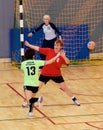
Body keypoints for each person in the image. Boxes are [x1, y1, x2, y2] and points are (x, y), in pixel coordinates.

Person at [25, 40, 80, 106]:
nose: (55, 47)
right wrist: (29, 45)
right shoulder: (49, 50)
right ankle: (27, 101)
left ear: (61, 47)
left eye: (57, 45)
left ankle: (74, 99)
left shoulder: (61, 55)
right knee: (36, 89)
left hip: (56, 75)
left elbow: (68, 62)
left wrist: (64, 56)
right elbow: (38, 48)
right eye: (55, 45)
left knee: (64, 87)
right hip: (45, 73)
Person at [21, 48, 60, 116]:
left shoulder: (23, 64)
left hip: (28, 84)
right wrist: (57, 56)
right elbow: (50, 61)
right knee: (31, 98)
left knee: (29, 100)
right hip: (36, 85)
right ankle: (30, 112)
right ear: (33, 56)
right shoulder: (37, 62)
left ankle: (38, 99)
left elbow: (25, 70)